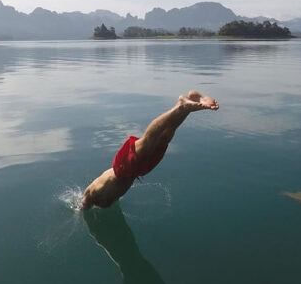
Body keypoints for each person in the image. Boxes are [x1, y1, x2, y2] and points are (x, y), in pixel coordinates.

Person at [81, 90, 219, 210]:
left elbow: (84, 204)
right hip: (135, 173)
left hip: (122, 170)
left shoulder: (90, 197)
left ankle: (180, 107)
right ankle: (188, 104)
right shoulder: (100, 198)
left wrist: (82, 209)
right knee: (165, 138)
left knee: (148, 140)